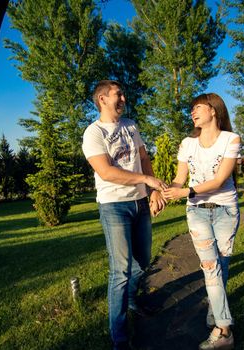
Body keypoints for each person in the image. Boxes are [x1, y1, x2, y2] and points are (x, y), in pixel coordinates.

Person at [82, 80, 167, 350]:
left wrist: (152, 189)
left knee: (141, 262)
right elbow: (106, 172)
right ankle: (119, 338)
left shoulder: (130, 125)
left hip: (140, 203)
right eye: (118, 94)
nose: (123, 98)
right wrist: (145, 180)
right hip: (114, 206)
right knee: (120, 271)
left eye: (123, 94)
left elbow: (143, 157)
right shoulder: (93, 133)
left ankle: (131, 300)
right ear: (102, 99)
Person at [162, 93, 240, 350]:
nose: (192, 112)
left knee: (222, 266)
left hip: (226, 211)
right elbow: (179, 178)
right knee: (210, 267)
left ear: (213, 110)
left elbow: (219, 181)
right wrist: (163, 193)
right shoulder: (187, 143)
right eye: (191, 109)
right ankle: (224, 330)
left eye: (197, 107)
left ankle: (215, 313)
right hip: (196, 212)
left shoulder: (231, 139)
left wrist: (185, 191)